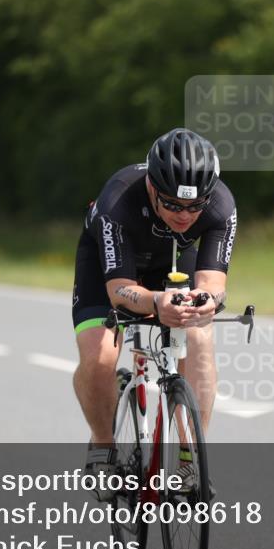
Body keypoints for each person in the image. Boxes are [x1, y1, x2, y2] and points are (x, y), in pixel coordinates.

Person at [71, 128, 237, 500]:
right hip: (110, 267)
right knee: (100, 357)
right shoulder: (118, 200)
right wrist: (156, 303)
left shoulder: (221, 205)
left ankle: (189, 458)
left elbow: (212, 280)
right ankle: (103, 445)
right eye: (173, 204)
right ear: (151, 185)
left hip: (172, 262)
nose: (185, 215)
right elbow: (120, 291)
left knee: (199, 336)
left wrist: (206, 300)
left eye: (195, 207)